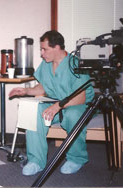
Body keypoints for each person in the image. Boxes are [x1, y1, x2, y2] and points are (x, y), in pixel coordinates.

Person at [9, 30, 94, 176]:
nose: (42, 53)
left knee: (73, 115)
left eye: (45, 49)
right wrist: (25, 92)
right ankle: (36, 161)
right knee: (34, 111)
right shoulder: (46, 64)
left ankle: (76, 159)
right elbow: (44, 86)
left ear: (57, 48)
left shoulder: (76, 64)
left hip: (78, 105)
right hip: (57, 103)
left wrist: (57, 106)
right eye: (41, 49)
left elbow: (80, 97)